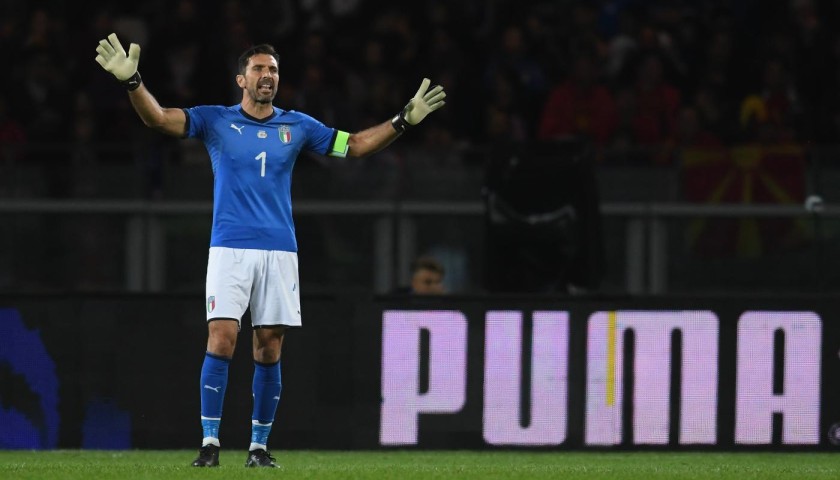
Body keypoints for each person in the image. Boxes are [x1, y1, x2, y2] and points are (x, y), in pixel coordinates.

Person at [94, 33, 445, 468]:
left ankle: (258, 448)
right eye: (259, 68)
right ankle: (209, 443)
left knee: (269, 348)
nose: (268, 75)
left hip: (280, 251)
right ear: (241, 78)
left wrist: (403, 121)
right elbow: (159, 120)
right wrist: (133, 83)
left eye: (274, 70)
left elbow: (353, 146)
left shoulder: (298, 126)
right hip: (229, 248)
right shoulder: (215, 120)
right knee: (222, 338)